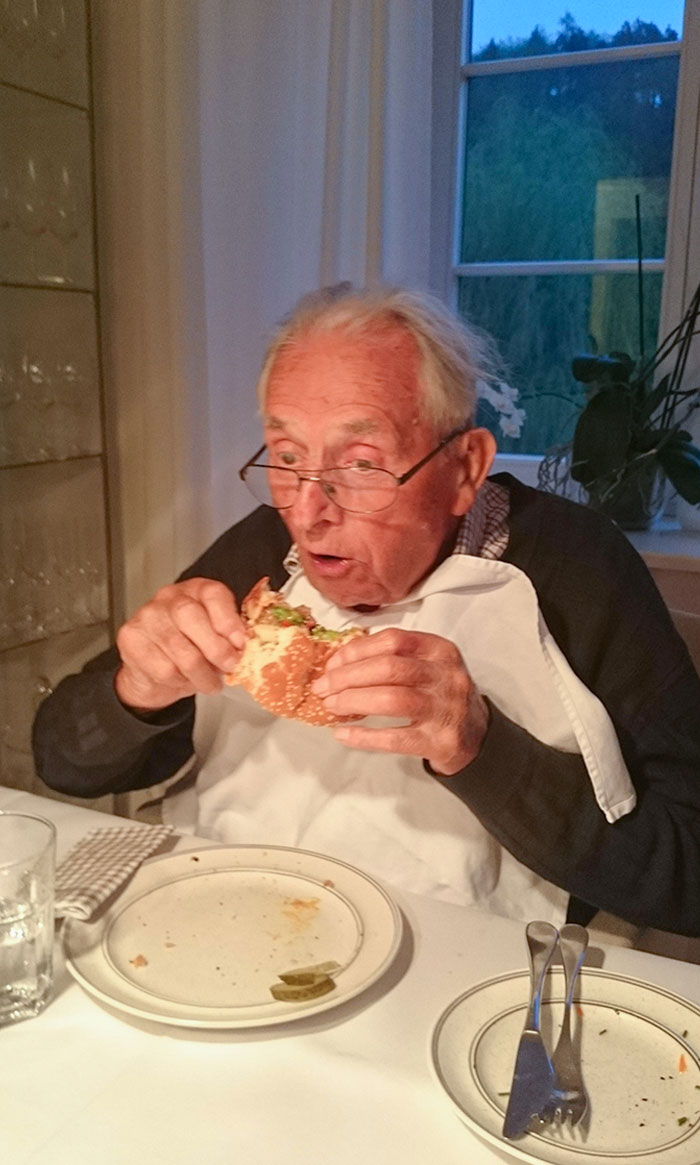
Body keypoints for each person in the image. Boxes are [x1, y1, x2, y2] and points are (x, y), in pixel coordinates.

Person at [33, 285, 700, 932]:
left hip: (465, 963)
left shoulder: (580, 569)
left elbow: (689, 877)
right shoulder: (260, 553)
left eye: (360, 465)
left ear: (465, 468)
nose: (308, 514)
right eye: (288, 456)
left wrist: (479, 745)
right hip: (229, 922)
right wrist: (137, 692)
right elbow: (60, 760)